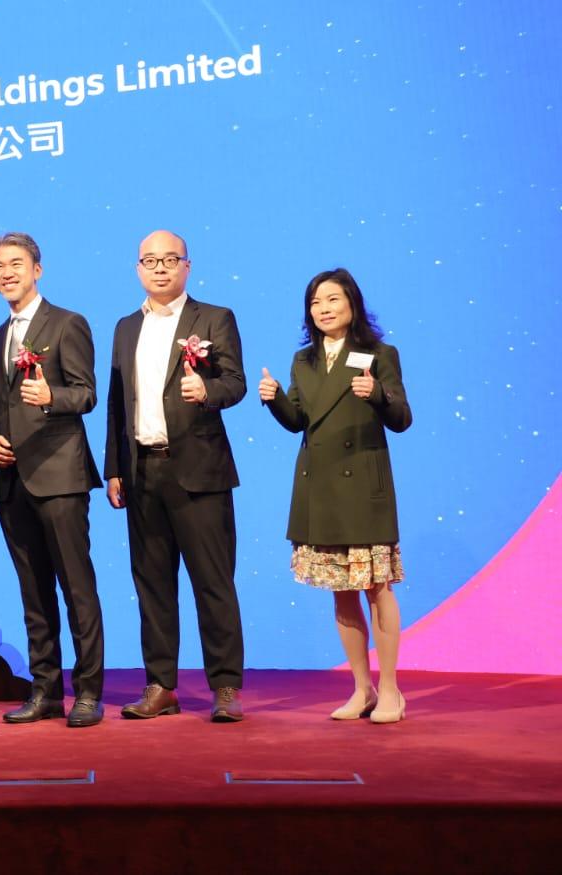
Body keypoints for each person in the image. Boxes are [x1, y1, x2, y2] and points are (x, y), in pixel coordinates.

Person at [104, 232, 249, 723]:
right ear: (138, 269)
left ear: (187, 266)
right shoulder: (126, 327)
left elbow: (235, 382)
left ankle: (225, 686)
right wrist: (114, 468)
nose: (160, 268)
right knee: (152, 585)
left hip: (199, 470)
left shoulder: (214, 318)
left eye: (170, 259)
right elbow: (117, 403)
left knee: (213, 582)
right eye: (150, 260)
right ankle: (161, 685)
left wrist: (207, 390)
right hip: (142, 470)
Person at [259, 269, 413, 723]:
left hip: (362, 486)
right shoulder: (303, 361)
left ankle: (391, 690)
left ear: (352, 304)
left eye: (332, 299)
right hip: (320, 488)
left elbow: (402, 418)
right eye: (315, 302)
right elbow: (299, 421)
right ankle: (362, 689)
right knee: (341, 594)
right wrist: (274, 399)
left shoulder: (379, 354)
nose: (323, 309)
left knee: (376, 589)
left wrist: (377, 393)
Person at [0, 233, 107, 728]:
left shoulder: (67, 323)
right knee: (33, 593)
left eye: (16, 263)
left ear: (37, 269)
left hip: (59, 475)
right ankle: (45, 690)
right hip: (13, 481)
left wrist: (52, 396)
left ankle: (88, 692)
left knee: (77, 589)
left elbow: (86, 394)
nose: (7, 272)